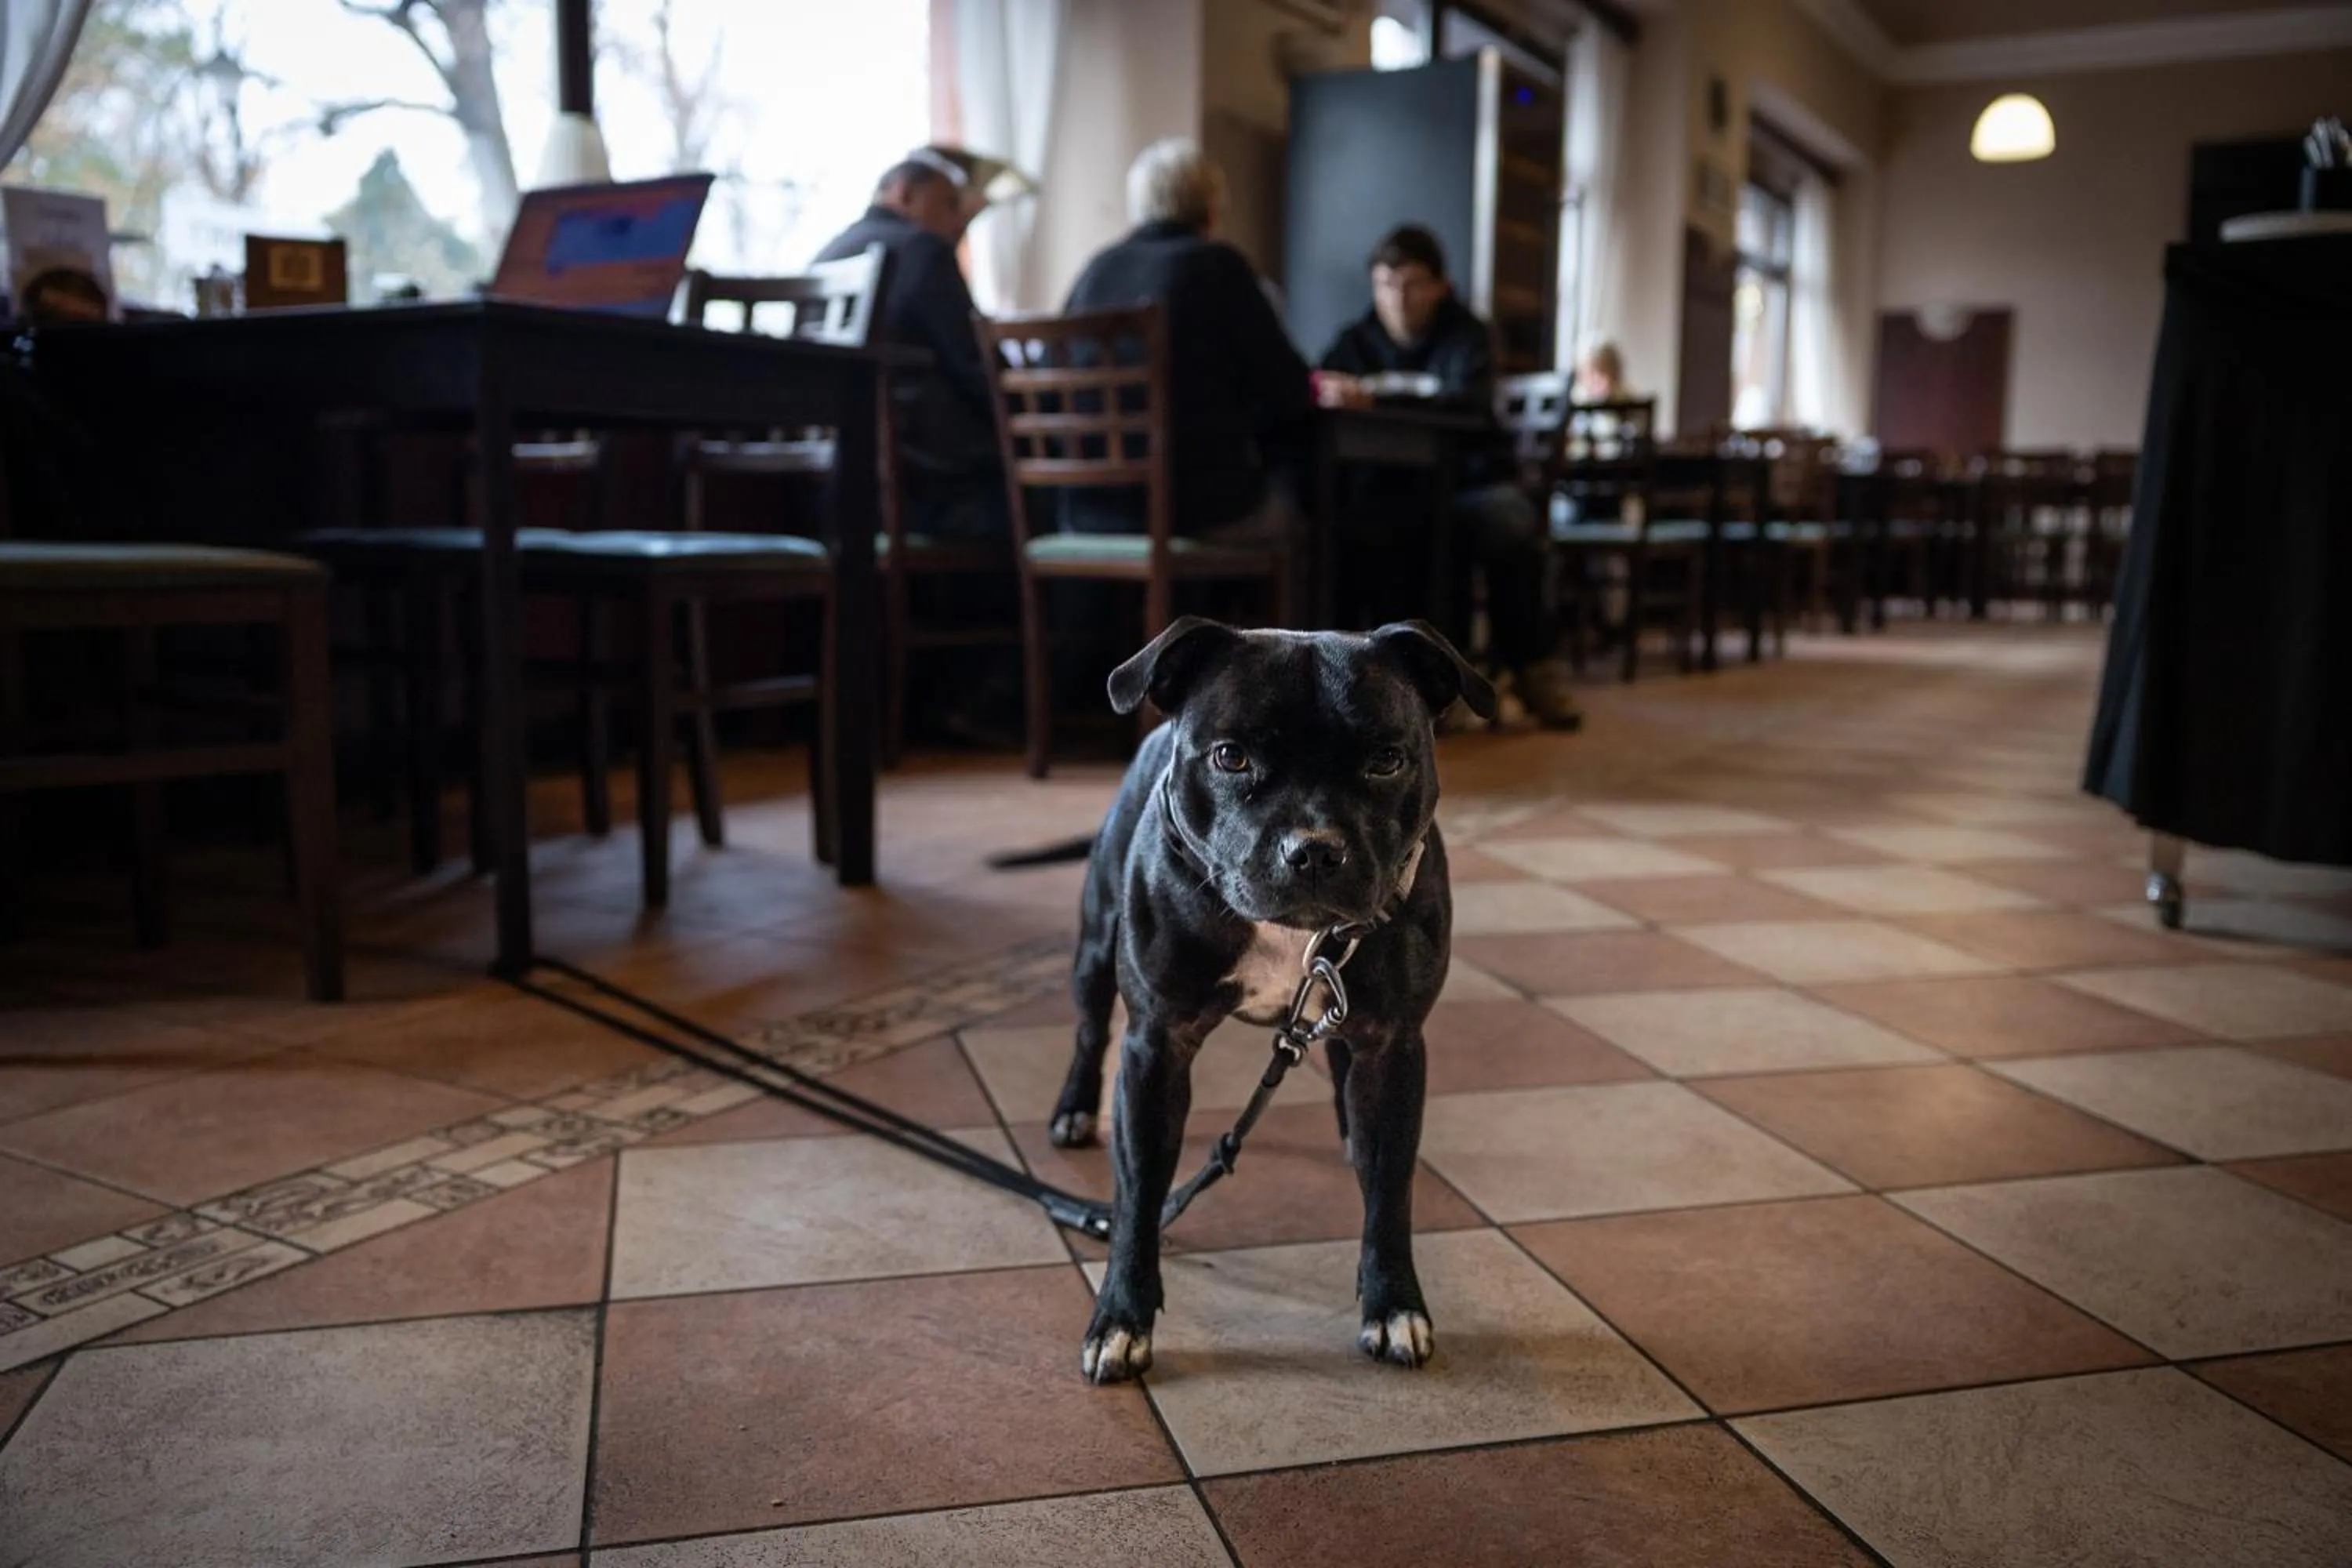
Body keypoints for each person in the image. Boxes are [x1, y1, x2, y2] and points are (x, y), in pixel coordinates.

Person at [1316, 224, 1582, 730]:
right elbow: (1325, 386)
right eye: (1385, 283)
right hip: (1389, 494)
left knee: (1503, 521)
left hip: (1468, 483)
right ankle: (1365, 689)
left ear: (1441, 285)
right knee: (1353, 526)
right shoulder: (1355, 340)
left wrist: (1377, 399)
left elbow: (1474, 406)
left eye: (1412, 283)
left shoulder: (1467, 336)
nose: (1398, 296)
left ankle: (1530, 670)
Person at [1059, 138, 1314, 540]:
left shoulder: (1095, 272)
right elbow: (1287, 389)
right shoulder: (1218, 266)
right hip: (1195, 512)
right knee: (1295, 488)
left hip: (1088, 511)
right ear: (1211, 208)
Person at [812, 146, 1006, 541]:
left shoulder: (827, 255)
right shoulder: (922, 249)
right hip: (929, 482)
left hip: (841, 479)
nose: (957, 222)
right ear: (903, 193)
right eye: (949, 204)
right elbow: (977, 364)